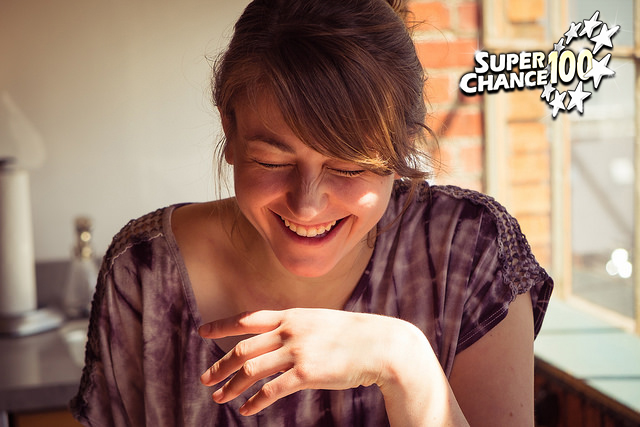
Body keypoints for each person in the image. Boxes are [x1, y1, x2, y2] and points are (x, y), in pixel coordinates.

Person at [70, 0, 553, 425]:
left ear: (403, 146)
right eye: (272, 161)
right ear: (230, 131)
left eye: (347, 166)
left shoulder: (469, 252)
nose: (307, 203)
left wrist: (404, 363)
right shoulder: (145, 273)